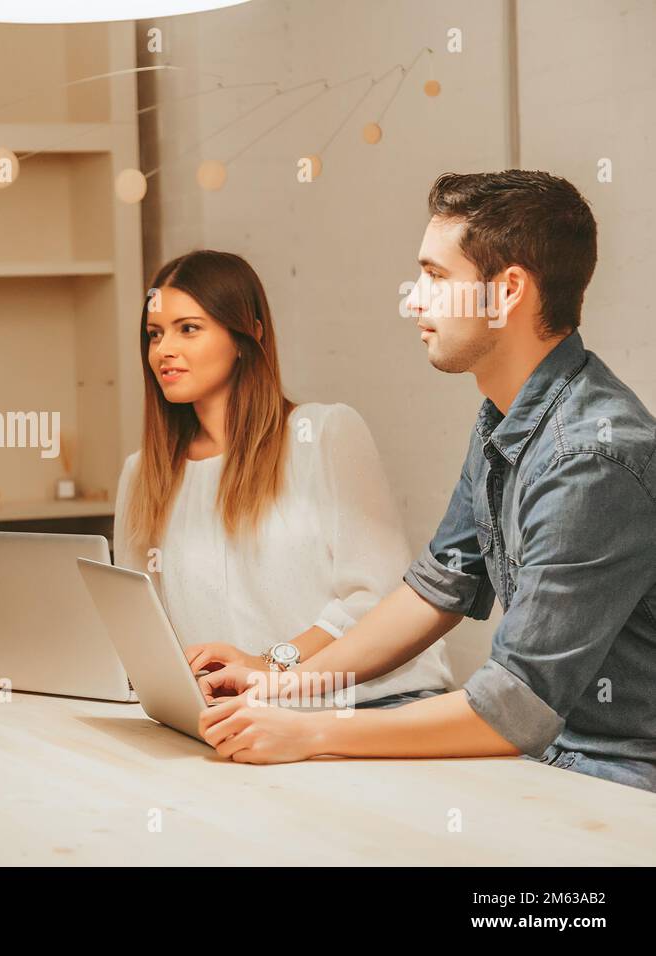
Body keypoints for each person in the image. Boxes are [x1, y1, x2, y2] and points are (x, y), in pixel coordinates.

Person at [198, 171, 656, 793]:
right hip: (544, 762)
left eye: (437, 277)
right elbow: (437, 588)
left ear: (507, 292)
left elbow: (513, 705)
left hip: (614, 781)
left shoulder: (589, 458)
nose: (413, 300)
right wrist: (285, 685)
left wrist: (311, 732)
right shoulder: (506, 414)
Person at [114, 249, 451, 707]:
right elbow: (141, 629)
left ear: (246, 335)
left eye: (188, 328)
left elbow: (379, 597)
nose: (164, 350)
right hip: (240, 721)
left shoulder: (325, 434)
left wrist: (270, 663)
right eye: (154, 334)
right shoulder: (142, 476)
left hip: (370, 704)